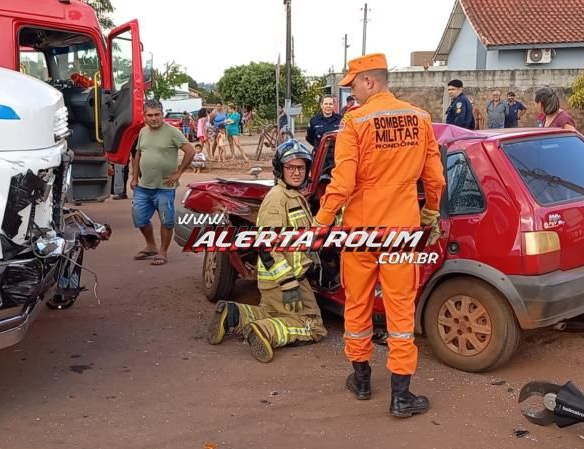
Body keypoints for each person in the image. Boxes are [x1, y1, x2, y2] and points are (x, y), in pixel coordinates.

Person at [314, 53, 445, 418]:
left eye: (353, 85)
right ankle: (401, 396)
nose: (350, 94)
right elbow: (434, 179)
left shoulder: (354, 122)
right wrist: (430, 212)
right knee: (401, 309)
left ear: (370, 81)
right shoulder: (420, 119)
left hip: (360, 232)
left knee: (356, 303)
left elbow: (342, 182)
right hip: (401, 231)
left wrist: (321, 222)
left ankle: (362, 380)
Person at [207, 139, 327, 362]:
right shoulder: (277, 199)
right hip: (284, 280)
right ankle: (266, 332)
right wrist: (288, 283)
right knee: (313, 325)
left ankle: (233, 314)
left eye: (301, 167)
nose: (296, 172)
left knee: (274, 313)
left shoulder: (294, 196)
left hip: (280, 280)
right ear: (280, 169)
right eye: (290, 167)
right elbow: (267, 245)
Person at [129, 99, 195, 266]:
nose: (154, 118)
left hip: (165, 187)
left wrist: (178, 172)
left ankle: (163, 252)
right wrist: (134, 177)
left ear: (162, 114)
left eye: (157, 114)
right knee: (139, 219)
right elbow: (137, 155)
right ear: (144, 116)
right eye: (149, 115)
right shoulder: (143, 132)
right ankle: (151, 245)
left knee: (166, 221)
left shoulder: (172, 132)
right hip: (143, 187)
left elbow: (190, 151)